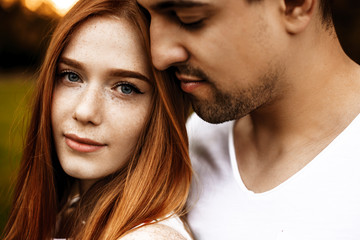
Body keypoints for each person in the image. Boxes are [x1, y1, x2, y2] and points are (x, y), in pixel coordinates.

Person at [137, 0, 360, 239]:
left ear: (295, 5)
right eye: (149, 18)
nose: (159, 56)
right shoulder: (189, 146)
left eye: (189, 18)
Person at [2, 0, 194, 239]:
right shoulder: (70, 213)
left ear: (162, 111)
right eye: (71, 76)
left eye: (125, 88)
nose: (85, 112)